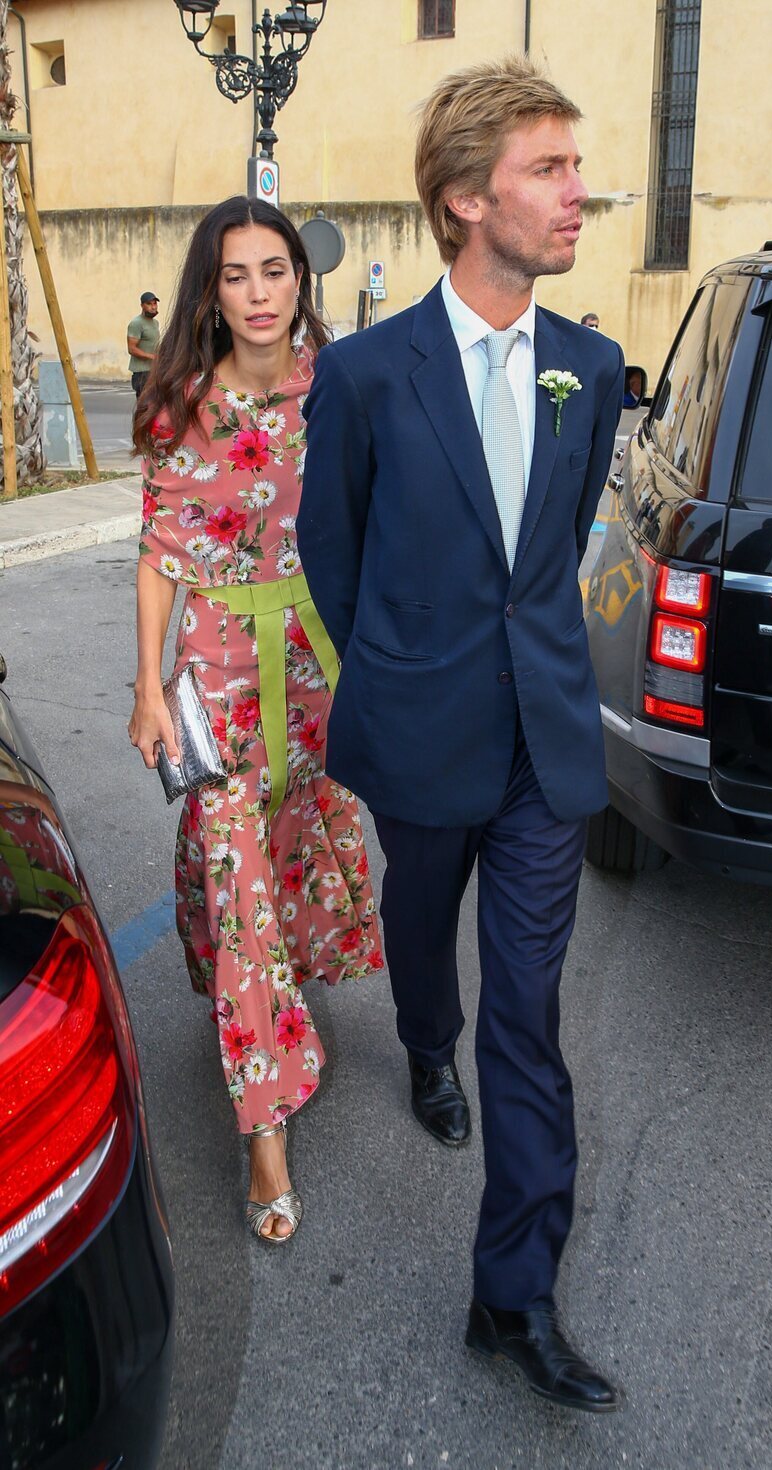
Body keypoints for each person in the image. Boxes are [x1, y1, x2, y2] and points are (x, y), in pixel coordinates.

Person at [298, 57, 623, 1410]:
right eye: (548, 170)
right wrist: (405, 658)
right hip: (420, 729)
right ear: (461, 202)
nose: (579, 194)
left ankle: (514, 1291)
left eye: (574, 166)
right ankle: (422, 1036)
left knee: (531, 1020)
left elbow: (544, 552)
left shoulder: (592, 367)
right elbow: (335, 551)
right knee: (420, 921)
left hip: (545, 743)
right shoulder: (368, 374)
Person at [129, 197, 383, 1244]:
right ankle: (265, 1134)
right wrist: (147, 689)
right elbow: (156, 558)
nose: (258, 293)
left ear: (300, 278)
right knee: (238, 886)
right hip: (218, 676)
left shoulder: (344, 387)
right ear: (210, 290)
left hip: (320, 668)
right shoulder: (181, 403)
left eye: (273, 270)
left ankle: (267, 1003)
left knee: (295, 852)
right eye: (235, 275)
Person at [127, 291, 160, 399]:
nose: (153, 307)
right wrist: (152, 357)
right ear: (142, 306)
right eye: (149, 304)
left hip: (153, 370)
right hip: (141, 373)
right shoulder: (136, 323)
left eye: (154, 303)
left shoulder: (155, 323)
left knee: (154, 406)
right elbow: (132, 349)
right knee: (144, 407)